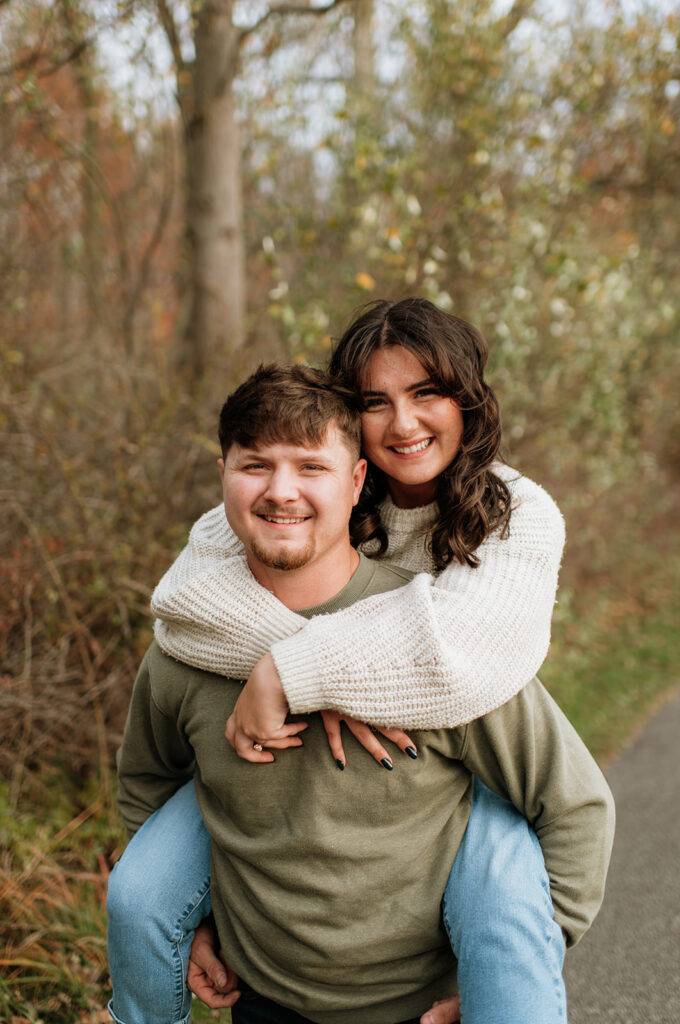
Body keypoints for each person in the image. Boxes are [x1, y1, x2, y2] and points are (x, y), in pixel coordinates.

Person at [107, 299, 571, 1024]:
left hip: (456, 732)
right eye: (375, 401)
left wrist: (295, 674)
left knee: (508, 913)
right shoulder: (309, 490)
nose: (403, 422)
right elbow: (191, 597)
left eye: (426, 393)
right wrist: (302, 672)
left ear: (468, 399)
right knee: (137, 898)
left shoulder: (516, 511)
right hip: (282, 763)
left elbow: (467, 649)